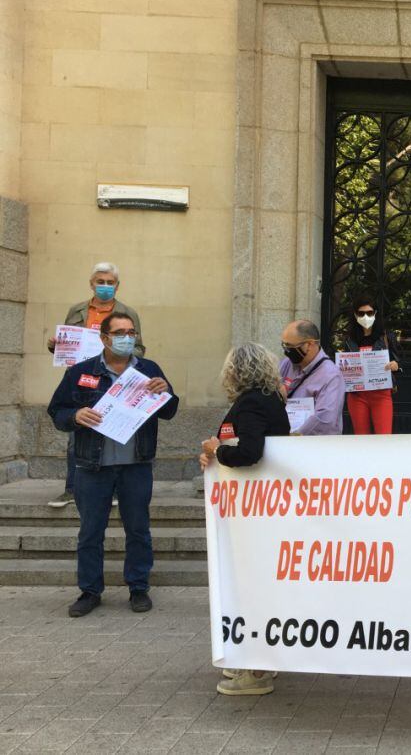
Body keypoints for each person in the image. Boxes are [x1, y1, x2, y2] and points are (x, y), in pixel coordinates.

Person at [47, 313, 178, 618]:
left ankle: (138, 588)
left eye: (131, 332)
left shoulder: (148, 369)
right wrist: (75, 415)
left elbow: (170, 411)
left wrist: (166, 392)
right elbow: (57, 410)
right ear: (104, 338)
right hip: (92, 466)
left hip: (136, 465)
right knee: (91, 531)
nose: (127, 337)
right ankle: (90, 591)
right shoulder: (82, 372)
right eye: (120, 332)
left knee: (138, 530)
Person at [198, 342, 291, 696]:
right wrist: (216, 454)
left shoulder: (252, 402)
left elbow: (250, 452)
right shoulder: (270, 400)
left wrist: (216, 451)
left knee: (251, 587)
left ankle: (255, 672)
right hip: (259, 510)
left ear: (235, 371)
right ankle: (262, 661)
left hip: (254, 515)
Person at [46, 262, 144, 509]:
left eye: (110, 283)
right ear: (91, 284)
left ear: (117, 286)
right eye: (100, 282)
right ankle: (72, 488)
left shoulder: (127, 313)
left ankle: (113, 489)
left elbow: (140, 348)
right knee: (77, 432)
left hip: (114, 380)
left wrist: (125, 359)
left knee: (115, 430)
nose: (105, 287)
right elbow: (67, 346)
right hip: (82, 380)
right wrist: (56, 346)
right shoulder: (77, 310)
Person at [344, 293, 401, 435]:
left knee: (383, 436)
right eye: (361, 313)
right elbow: (345, 365)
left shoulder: (387, 336)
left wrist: (396, 365)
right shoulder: (349, 339)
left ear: (375, 313)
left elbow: (399, 361)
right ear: (355, 315)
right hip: (357, 395)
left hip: (381, 394)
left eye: (369, 313)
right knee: (361, 437)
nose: (365, 317)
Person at [279, 320, 346, 436]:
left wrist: (295, 436)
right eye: (284, 345)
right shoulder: (287, 364)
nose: (286, 351)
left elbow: (325, 418)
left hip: (316, 445)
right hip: (286, 439)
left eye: (290, 346)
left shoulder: (331, 375)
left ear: (309, 345)